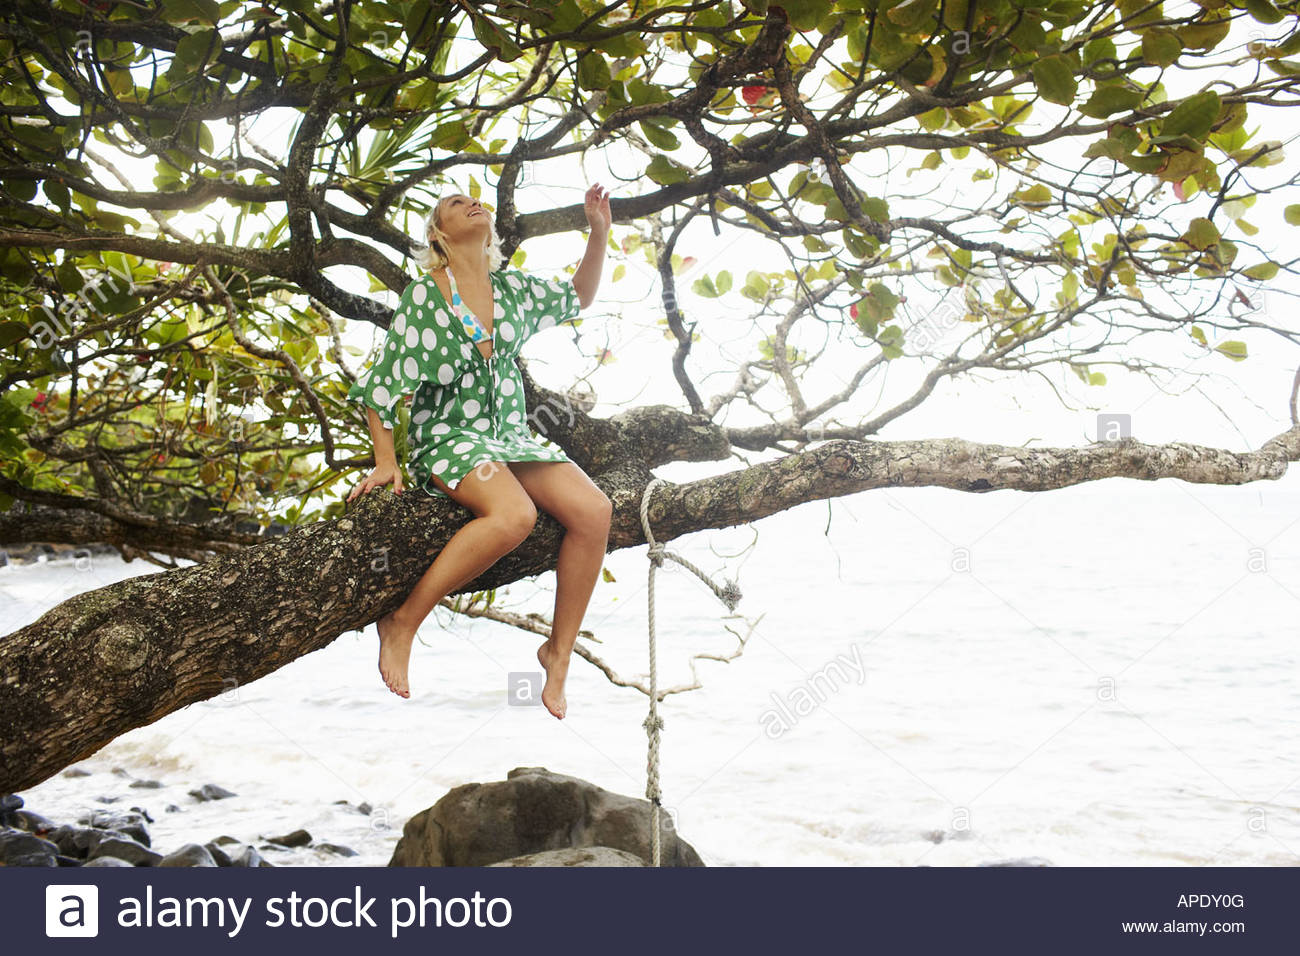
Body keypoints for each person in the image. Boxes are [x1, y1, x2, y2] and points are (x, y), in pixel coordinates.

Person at [345, 184, 613, 719]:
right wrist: (386, 461)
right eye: (453, 203)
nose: (472, 202)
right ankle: (403, 621)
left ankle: (557, 652)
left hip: (511, 435)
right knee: (515, 515)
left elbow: (577, 297)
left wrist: (598, 232)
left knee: (595, 511)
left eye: (475, 198)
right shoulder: (426, 297)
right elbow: (380, 386)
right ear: (439, 234)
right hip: (451, 435)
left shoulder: (510, 289)